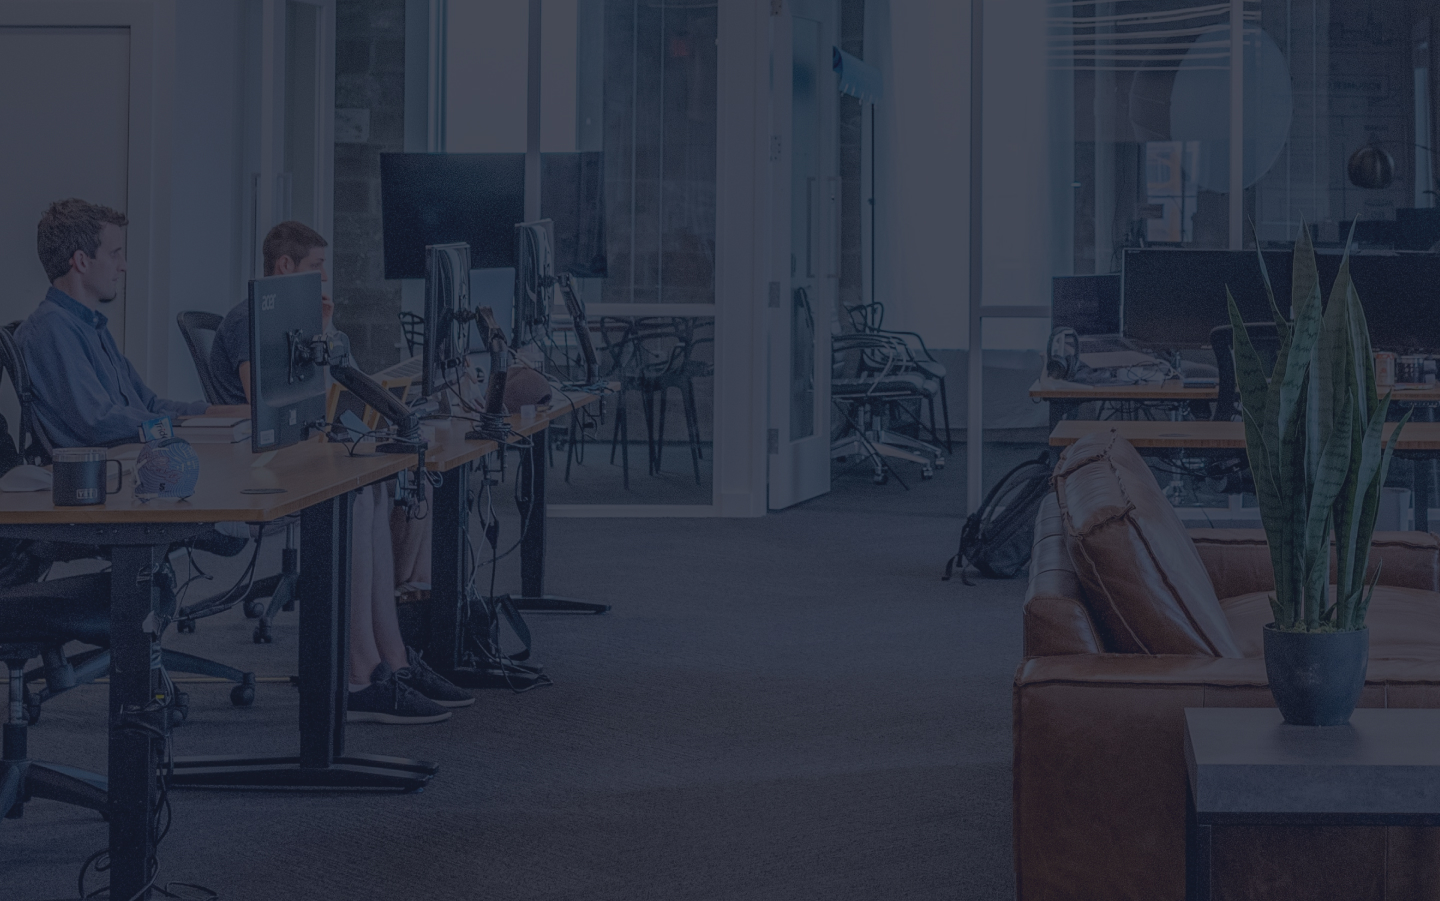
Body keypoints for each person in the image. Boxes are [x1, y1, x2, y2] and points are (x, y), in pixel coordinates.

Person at [209, 221, 469, 724]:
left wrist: (324, 336)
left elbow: (313, 399)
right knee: (356, 494)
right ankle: (360, 673)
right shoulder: (250, 319)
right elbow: (266, 401)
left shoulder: (297, 318)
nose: (323, 279)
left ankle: (393, 656)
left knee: (390, 481)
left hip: (294, 454)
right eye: (316, 267)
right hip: (257, 470)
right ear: (285, 266)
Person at [16, 198, 249, 446]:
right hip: (110, 462)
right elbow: (99, 423)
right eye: (114, 254)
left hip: (131, 454)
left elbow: (149, 404)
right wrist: (181, 427)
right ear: (82, 261)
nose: (124, 266)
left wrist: (218, 414)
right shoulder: (51, 328)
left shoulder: (93, 327)